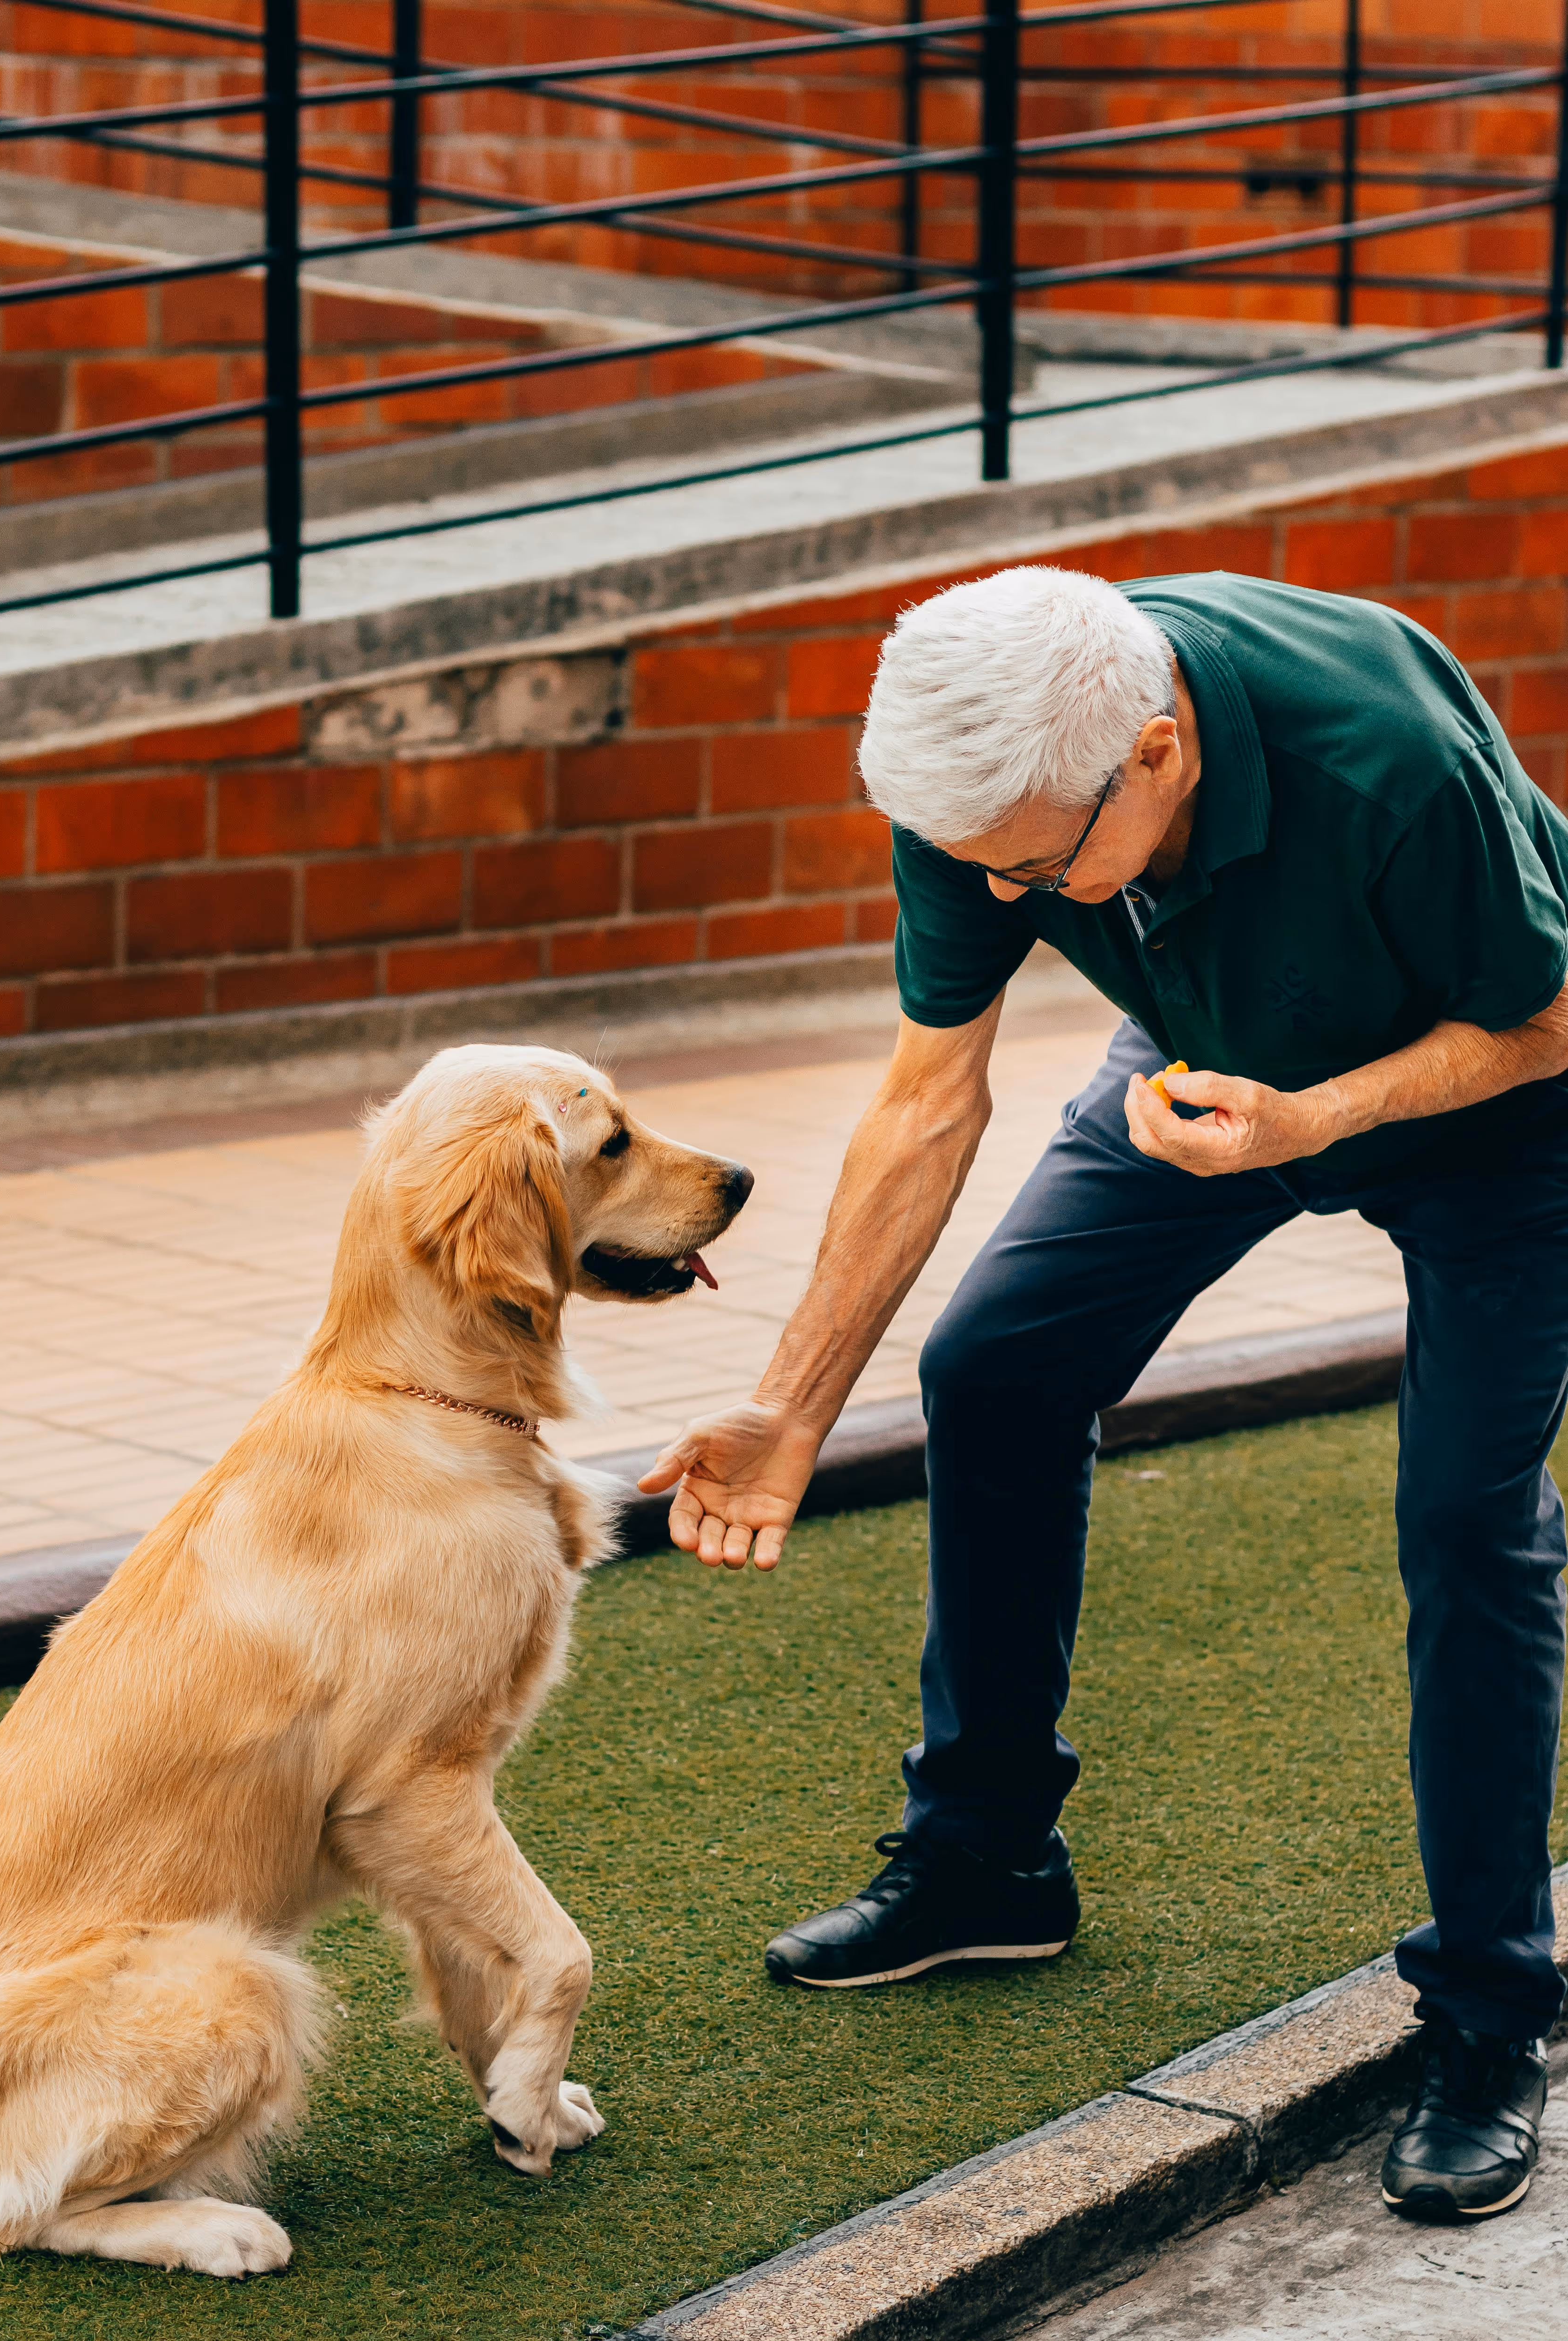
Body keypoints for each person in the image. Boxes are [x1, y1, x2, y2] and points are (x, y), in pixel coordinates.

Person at [640, 566, 1568, 2225]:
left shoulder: (1387, 754)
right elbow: (931, 1097)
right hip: (1209, 1067)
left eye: (1032, 865)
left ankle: (1492, 2016)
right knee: (993, 1370)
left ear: (1155, 755)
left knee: (1467, 1523)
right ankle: (990, 1859)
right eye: (976, 861)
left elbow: (1549, 1016)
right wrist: (791, 1407)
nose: (1003, 889)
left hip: (1494, 1096)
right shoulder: (985, 768)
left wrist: (1323, 1117)